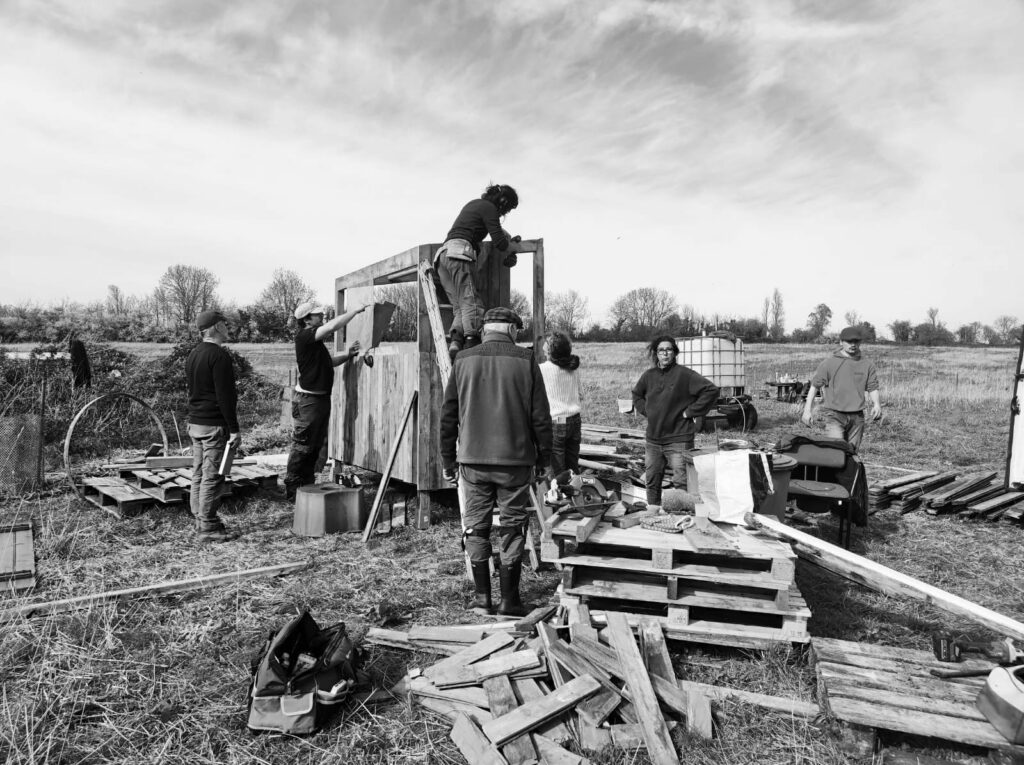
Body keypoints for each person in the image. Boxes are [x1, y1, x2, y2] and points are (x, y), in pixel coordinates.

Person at [440, 306, 553, 616]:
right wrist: (544, 458)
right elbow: (540, 417)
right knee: (512, 527)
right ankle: (509, 601)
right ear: (513, 330)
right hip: (515, 462)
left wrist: (448, 459)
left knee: (476, 528)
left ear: (485, 330)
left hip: (472, 461)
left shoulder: (463, 359)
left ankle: (482, 599)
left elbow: (448, 416)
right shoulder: (526, 360)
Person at [284, 300, 369, 501]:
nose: (321, 316)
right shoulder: (305, 336)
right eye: (317, 315)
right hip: (308, 401)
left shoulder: (315, 342)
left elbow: (328, 362)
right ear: (306, 320)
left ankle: (306, 486)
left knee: (315, 445)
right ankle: (293, 487)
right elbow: (331, 327)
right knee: (303, 445)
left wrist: (348, 355)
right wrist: (354, 311)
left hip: (319, 399)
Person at [435, 184, 526, 358]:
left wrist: (509, 243)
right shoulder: (489, 208)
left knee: (460, 307)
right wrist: (513, 249)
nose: (505, 213)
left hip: (442, 258)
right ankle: (472, 346)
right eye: (507, 209)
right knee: (473, 303)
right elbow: (500, 241)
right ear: (503, 201)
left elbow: (499, 232)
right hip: (459, 254)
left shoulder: (476, 206)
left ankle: (455, 342)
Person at [631, 336, 719, 507]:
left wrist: (690, 412)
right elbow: (636, 395)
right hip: (654, 441)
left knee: (681, 483)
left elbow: (711, 390)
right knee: (652, 481)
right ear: (656, 353)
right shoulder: (649, 376)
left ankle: (682, 515)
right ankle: (654, 513)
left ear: (675, 353)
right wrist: (648, 411)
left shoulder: (684, 375)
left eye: (669, 349)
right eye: (661, 350)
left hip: (679, 439)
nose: (665, 353)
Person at [185, 310, 240, 542]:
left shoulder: (194, 354)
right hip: (214, 426)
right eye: (225, 324)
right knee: (213, 476)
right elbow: (225, 396)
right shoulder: (219, 356)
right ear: (217, 327)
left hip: (195, 423)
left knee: (199, 473)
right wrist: (234, 428)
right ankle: (207, 528)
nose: (228, 327)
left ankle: (201, 519)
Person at [801, 325, 881, 450]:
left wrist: (877, 404)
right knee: (836, 451)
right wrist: (807, 410)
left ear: (860, 342)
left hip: (857, 417)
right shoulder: (829, 363)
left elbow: (872, 387)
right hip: (834, 416)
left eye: (856, 341)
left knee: (851, 453)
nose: (853, 344)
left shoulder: (867, 365)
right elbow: (814, 386)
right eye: (849, 341)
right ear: (841, 342)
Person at [539, 331, 583, 475]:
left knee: (558, 473)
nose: (543, 346)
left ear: (551, 350)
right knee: (573, 468)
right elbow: (581, 394)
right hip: (575, 420)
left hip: (557, 422)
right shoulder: (573, 368)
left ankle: (561, 489)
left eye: (546, 343)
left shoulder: (542, 369)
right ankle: (575, 488)